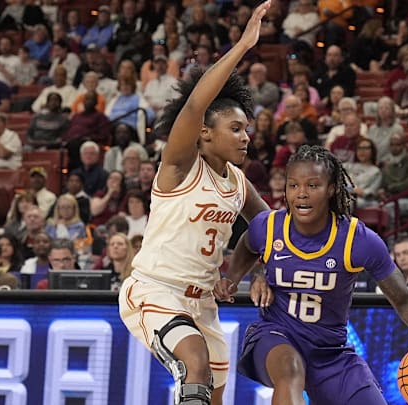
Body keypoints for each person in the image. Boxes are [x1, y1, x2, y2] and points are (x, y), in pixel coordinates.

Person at [215, 144, 408, 405]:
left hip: (331, 352)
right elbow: (247, 244)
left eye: (313, 185)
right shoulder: (269, 225)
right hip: (276, 336)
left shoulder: (358, 239)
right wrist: (243, 276)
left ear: (332, 188)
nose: (301, 194)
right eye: (293, 185)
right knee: (290, 370)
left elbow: (402, 298)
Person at [118, 4, 272, 404]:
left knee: (210, 391)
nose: (245, 137)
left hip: (202, 301)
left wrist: (248, 273)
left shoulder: (238, 181)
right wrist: (243, 46)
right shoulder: (180, 165)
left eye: (247, 130)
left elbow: (268, 228)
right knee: (195, 364)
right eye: (235, 129)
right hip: (155, 289)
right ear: (204, 133)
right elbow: (192, 106)